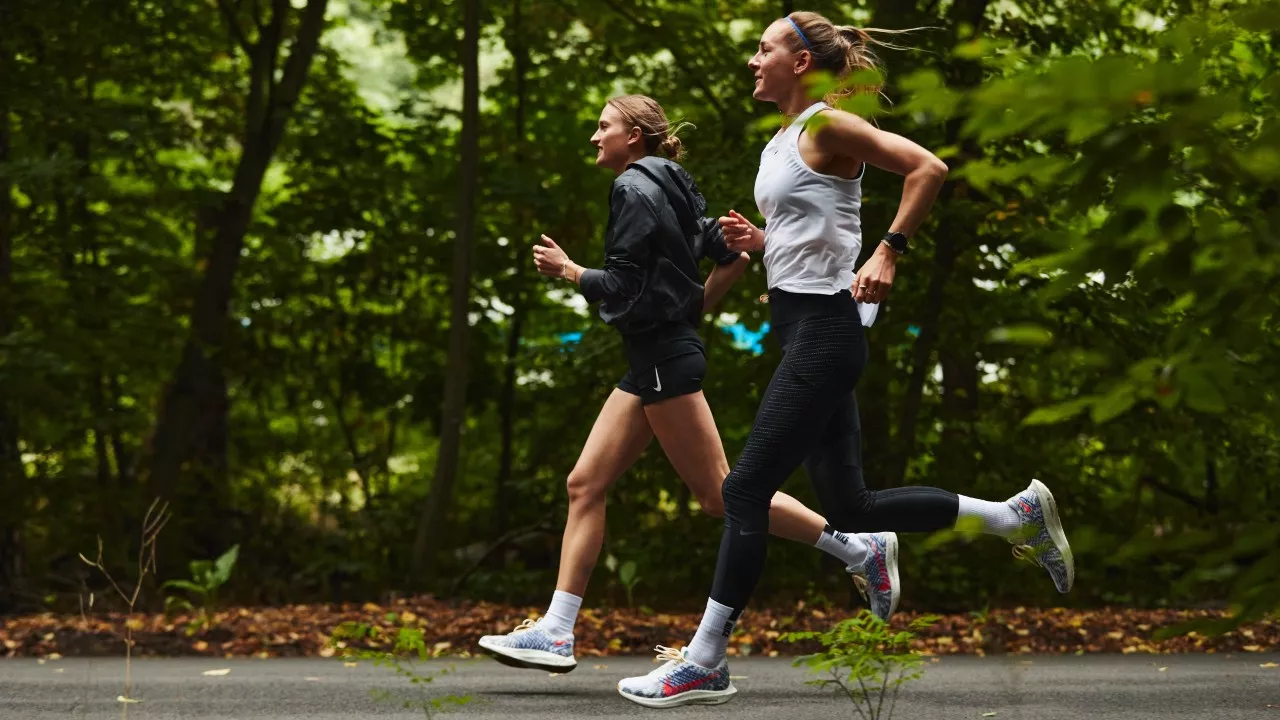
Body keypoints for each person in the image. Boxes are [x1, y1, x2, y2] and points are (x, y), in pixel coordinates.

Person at [616, 13, 1074, 708]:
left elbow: (929, 167)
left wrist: (890, 249)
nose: (753, 60)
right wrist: (763, 241)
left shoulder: (829, 125)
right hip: (806, 328)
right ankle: (1017, 517)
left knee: (741, 492)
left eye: (764, 49)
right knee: (852, 508)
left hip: (826, 335)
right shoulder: (785, 140)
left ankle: (705, 659)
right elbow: (818, 231)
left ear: (800, 63)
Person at [476, 95, 898, 679]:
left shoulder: (632, 188)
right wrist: (692, 309)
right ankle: (556, 629)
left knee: (722, 494)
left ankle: (857, 548)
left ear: (636, 136)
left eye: (604, 127)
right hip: (653, 356)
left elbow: (624, 286)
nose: (595, 138)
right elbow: (730, 253)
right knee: (585, 482)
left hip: (661, 361)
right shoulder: (675, 182)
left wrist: (571, 272)